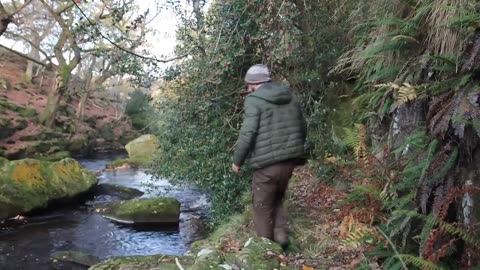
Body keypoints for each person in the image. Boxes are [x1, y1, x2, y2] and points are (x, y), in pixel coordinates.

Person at [232, 64, 307, 249]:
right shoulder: (290, 96)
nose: (248, 89)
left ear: (255, 83)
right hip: (290, 160)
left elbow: (248, 132)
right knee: (277, 197)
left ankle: (265, 250)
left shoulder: (254, 100)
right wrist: (294, 150)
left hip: (267, 164)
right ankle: (281, 236)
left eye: (249, 85)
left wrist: (237, 161)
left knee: (262, 206)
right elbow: (302, 126)